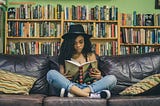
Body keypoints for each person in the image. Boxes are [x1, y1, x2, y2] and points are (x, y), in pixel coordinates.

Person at [47, 24, 117, 99]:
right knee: (51, 74)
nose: (78, 45)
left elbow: (95, 75)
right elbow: (61, 78)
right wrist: (63, 77)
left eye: (81, 42)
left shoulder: (90, 55)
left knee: (112, 79)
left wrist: (99, 77)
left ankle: (75, 94)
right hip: (72, 85)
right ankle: (90, 95)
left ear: (85, 42)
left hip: (89, 86)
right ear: (70, 44)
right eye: (74, 43)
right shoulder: (64, 56)